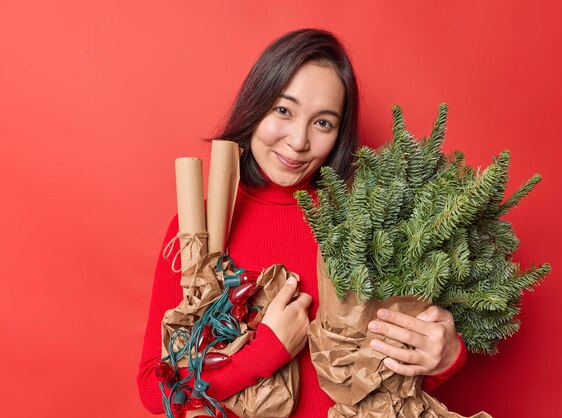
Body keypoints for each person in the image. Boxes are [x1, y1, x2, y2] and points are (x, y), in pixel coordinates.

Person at [137, 28, 466, 417]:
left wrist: (445, 359)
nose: (298, 141)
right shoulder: (200, 227)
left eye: (323, 123)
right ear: (255, 105)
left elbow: (391, 381)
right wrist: (265, 352)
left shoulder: (366, 226)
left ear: (339, 133)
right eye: (283, 110)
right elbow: (155, 391)